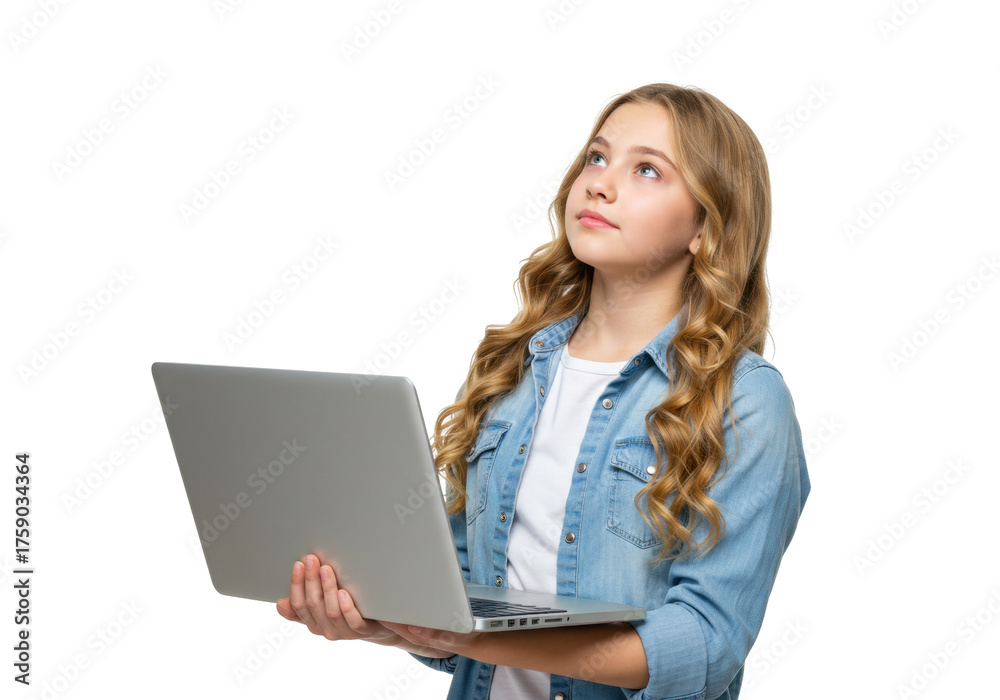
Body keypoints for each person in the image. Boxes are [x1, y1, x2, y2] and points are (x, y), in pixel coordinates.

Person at [276, 82, 811, 700]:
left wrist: (472, 635)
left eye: (646, 170)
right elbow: (460, 606)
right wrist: (381, 623)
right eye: (596, 157)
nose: (601, 183)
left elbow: (705, 644)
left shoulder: (745, 401)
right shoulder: (512, 369)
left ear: (704, 226)